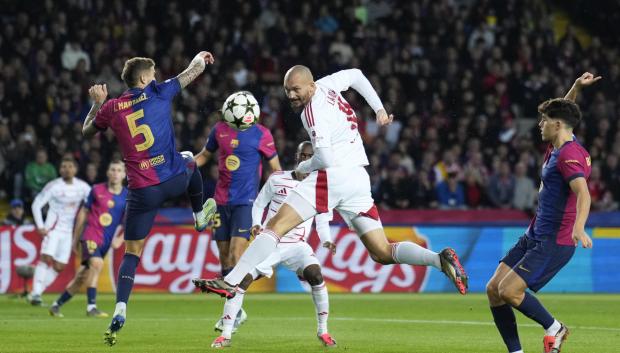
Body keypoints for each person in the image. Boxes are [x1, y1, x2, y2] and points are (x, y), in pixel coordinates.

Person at [193, 66, 468, 300]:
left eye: (296, 89)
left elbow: (323, 156)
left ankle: (232, 280)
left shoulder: (312, 111)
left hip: (333, 175)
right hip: (358, 177)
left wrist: (303, 166)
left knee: (275, 225)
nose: (291, 95)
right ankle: (438, 259)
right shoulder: (327, 85)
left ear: (310, 86)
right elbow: (357, 75)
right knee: (382, 251)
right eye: (287, 89)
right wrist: (379, 109)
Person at [81, 51, 218, 346]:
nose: (155, 76)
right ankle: (198, 215)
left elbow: (86, 131)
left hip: (142, 192)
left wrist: (96, 105)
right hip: (172, 179)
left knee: (132, 254)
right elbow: (191, 73)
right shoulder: (158, 91)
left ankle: (120, 308)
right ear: (144, 78)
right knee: (190, 161)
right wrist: (200, 57)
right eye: (153, 72)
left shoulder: (113, 108)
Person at [486, 72, 600, 353]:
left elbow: (583, 193)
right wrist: (574, 87)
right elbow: (562, 111)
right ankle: (516, 352)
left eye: (544, 121)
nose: (540, 124)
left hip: (554, 240)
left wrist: (579, 227)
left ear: (557, 125)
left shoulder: (568, 157)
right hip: (535, 234)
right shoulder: (559, 143)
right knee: (493, 290)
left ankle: (555, 328)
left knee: (509, 291)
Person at [209, 141, 336, 348]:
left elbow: (322, 219)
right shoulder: (278, 179)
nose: (305, 159)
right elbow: (259, 203)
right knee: (242, 281)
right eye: (303, 155)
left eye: (310, 156)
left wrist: (327, 239)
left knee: (316, 275)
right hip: (270, 243)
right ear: (297, 157)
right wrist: (257, 224)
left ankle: (323, 331)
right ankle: (225, 334)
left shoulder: (319, 187)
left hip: (297, 245)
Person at [193, 93, 281, 328]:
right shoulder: (219, 130)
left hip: (247, 203)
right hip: (220, 202)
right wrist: (185, 165)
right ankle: (237, 310)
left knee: (235, 254)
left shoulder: (262, 134)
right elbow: (203, 156)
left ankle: (229, 315)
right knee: (224, 258)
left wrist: (274, 198)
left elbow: (275, 169)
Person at [49, 160, 127, 318]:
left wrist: (121, 238)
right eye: (113, 169)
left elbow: (131, 222)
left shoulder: (127, 196)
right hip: (91, 235)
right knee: (97, 264)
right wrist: (75, 238)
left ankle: (56, 305)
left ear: (124, 175)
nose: (115, 173)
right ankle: (91, 307)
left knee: (82, 277)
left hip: (105, 242)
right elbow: (83, 214)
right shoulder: (96, 190)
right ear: (108, 172)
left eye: (119, 170)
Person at [29, 156, 91, 305]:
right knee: (46, 258)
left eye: (70, 166)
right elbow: (36, 204)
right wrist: (40, 226)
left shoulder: (82, 187)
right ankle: (36, 293)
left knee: (59, 266)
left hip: (68, 232)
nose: (67, 169)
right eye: (64, 166)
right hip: (53, 229)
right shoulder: (53, 186)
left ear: (75, 169)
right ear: (60, 170)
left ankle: (36, 292)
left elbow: (94, 202)